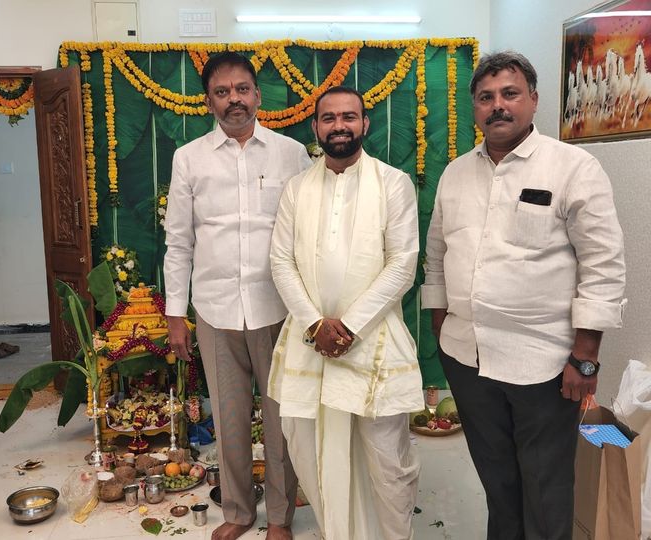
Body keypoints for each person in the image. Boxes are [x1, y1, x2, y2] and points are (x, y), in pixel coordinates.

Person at [421, 51, 626, 540]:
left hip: (544, 364)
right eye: (486, 97)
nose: (498, 105)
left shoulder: (573, 168)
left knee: (545, 486)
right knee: (497, 481)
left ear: (533, 99)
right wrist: (441, 324)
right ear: (474, 107)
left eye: (509, 94)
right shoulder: (455, 174)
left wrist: (586, 357)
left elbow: (603, 265)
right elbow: (436, 254)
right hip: (467, 358)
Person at [163, 51, 312, 540]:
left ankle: (280, 517)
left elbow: (306, 232)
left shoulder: (291, 153)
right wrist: (175, 314)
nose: (234, 100)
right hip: (215, 309)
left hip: (277, 308)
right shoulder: (189, 158)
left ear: (257, 95)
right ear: (208, 101)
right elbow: (179, 241)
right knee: (229, 419)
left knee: (281, 419)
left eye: (242, 89)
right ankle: (239, 511)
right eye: (222, 92)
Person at [268, 86, 424, 540]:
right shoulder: (296, 188)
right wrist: (315, 323)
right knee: (310, 451)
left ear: (364, 124)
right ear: (316, 127)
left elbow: (403, 264)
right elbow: (281, 261)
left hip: (373, 340)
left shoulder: (393, 183)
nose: (339, 126)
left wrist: (349, 326)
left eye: (349, 117)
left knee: (387, 461)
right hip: (309, 342)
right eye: (330, 118)